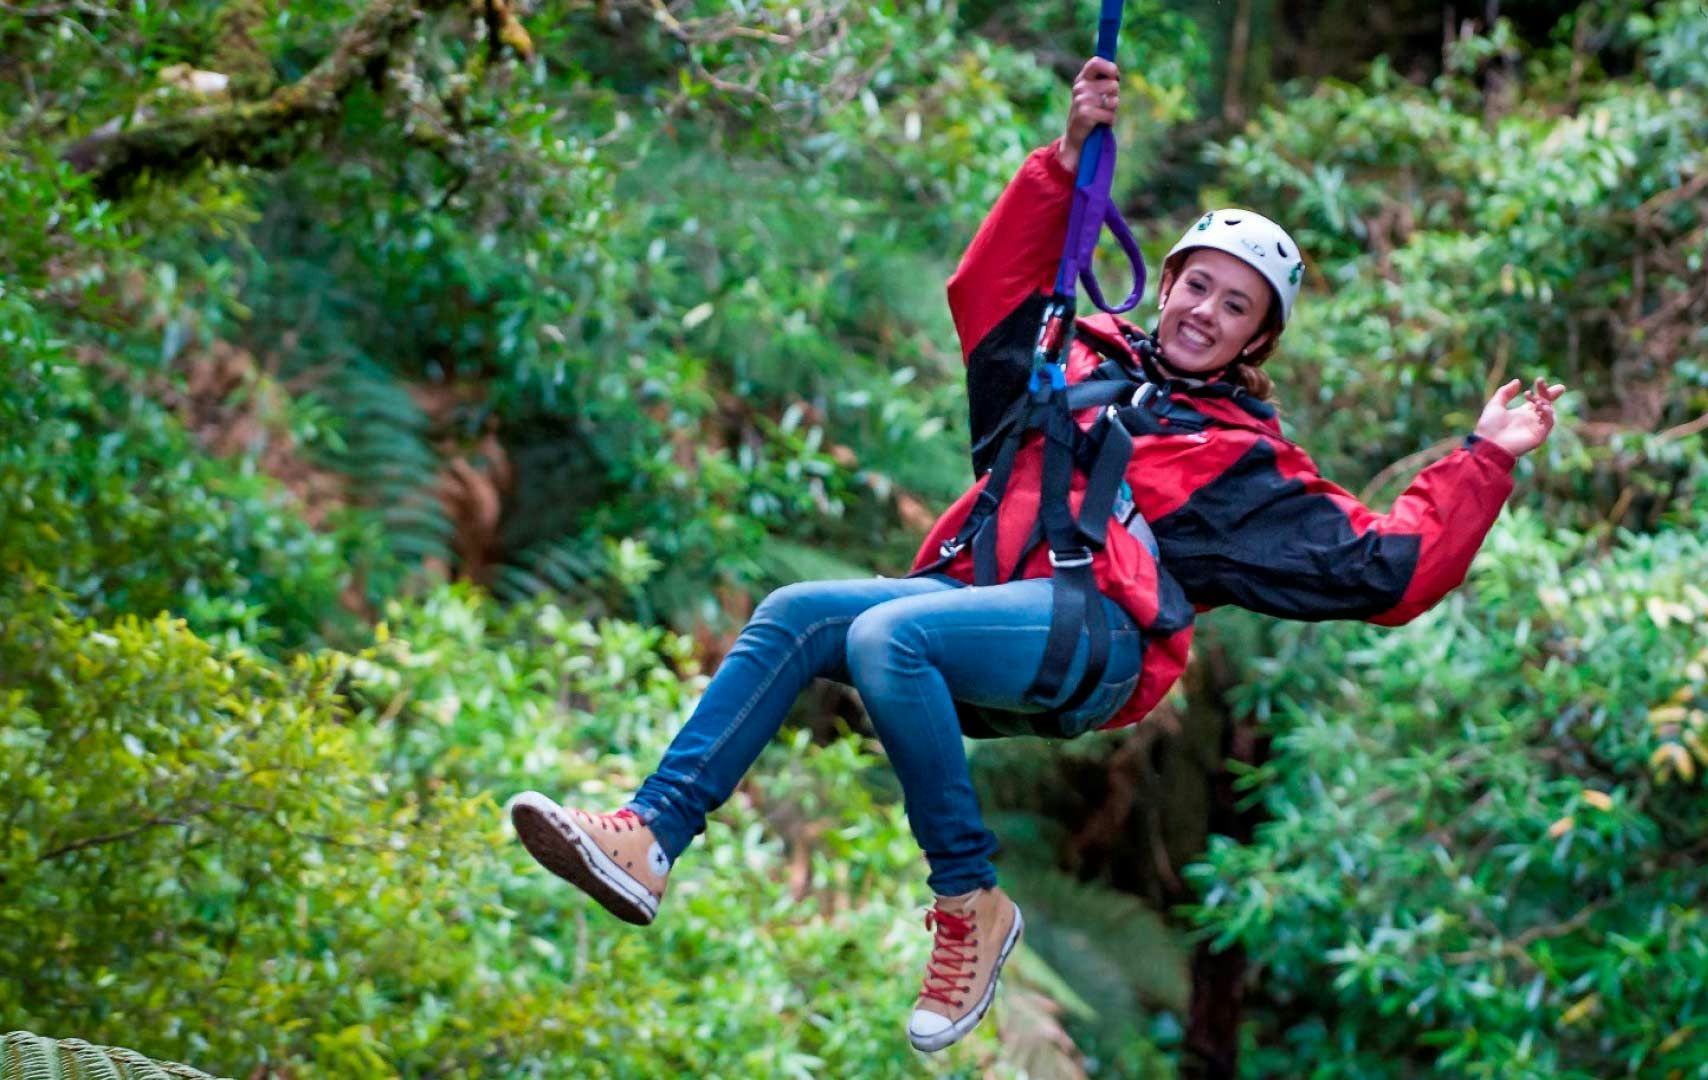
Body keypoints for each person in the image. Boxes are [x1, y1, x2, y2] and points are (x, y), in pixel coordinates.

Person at [507, 56, 1565, 1054]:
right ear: (1169, 284)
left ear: (1257, 342)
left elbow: (1389, 572)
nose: (1204, 311)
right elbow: (989, 292)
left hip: (1094, 647)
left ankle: (968, 901)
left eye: (1235, 306)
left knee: (888, 636)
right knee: (796, 609)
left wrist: (1484, 459)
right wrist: (1065, 164)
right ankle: (651, 836)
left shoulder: (1245, 464)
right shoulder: (1079, 355)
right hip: (981, 607)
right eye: (1197, 285)